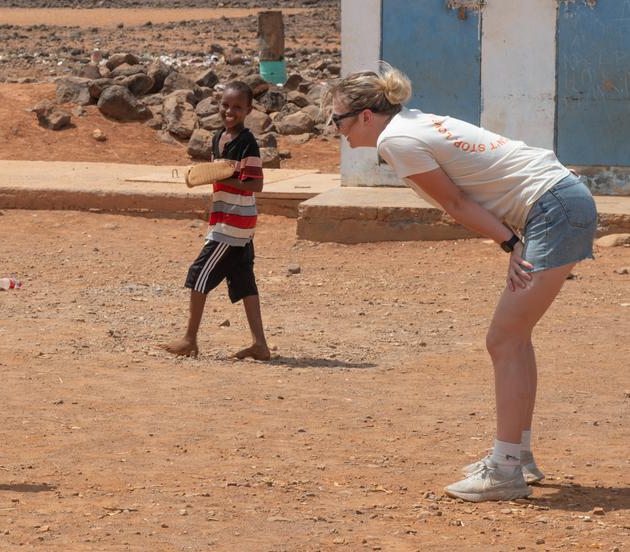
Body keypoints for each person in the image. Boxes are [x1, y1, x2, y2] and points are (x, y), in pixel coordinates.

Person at [327, 63, 597, 502]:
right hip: (559, 201)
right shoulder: (413, 124)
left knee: (503, 341)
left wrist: (510, 242)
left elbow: (454, 201)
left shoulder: (396, 139)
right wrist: (512, 239)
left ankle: (506, 470)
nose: (334, 128)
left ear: (364, 116)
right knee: (514, 338)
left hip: (553, 210)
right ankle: (519, 456)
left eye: (337, 119)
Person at [160, 81, 271, 361]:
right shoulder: (218, 138)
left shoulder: (246, 142)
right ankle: (260, 345)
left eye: (236, 107)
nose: (229, 111)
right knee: (244, 282)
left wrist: (221, 176)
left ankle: (189, 339)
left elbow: (256, 184)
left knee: (198, 274)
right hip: (227, 219)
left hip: (233, 224)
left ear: (248, 110)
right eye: (225, 105)